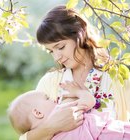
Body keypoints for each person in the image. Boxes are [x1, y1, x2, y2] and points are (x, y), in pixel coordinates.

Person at [19, 5, 130, 140]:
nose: (56, 57)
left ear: (80, 34)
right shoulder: (50, 83)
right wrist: (52, 126)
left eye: (60, 47)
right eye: (51, 51)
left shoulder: (117, 78)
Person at [8, 82, 130, 140]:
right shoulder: (61, 109)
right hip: (111, 133)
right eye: (47, 98)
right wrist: (77, 92)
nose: (53, 99)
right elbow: (89, 101)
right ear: (38, 113)